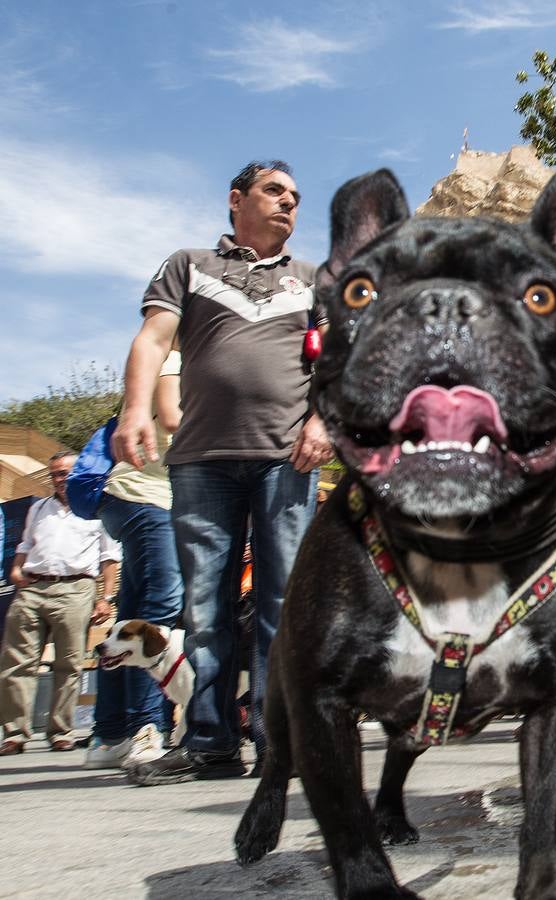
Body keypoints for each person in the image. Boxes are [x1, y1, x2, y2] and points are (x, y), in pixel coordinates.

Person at [113, 160, 330, 785]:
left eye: (295, 195)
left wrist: (323, 423)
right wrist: (135, 410)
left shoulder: (314, 280)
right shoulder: (189, 265)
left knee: (281, 603)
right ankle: (209, 743)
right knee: (205, 608)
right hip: (201, 460)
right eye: (274, 191)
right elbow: (154, 340)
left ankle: (276, 742)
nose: (288, 203)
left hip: (286, 457)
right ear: (236, 200)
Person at [85, 351, 184, 770]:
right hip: (146, 498)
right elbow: (174, 418)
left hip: (138, 499)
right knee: (162, 608)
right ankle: (148, 728)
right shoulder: (175, 358)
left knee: (128, 620)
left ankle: (109, 736)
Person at [1, 452, 120, 754]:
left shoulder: (96, 508)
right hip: (33, 586)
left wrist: (105, 598)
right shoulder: (39, 508)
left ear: (78, 472)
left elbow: (109, 556)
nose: (60, 479)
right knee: (17, 662)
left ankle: (60, 731)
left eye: (65, 473)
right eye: (55, 474)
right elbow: (26, 543)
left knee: (69, 664)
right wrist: (16, 568)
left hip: (76, 587)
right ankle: (15, 734)